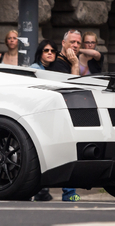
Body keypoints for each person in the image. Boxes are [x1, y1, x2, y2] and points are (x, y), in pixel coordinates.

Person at [30, 39, 81, 202]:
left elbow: (73, 88)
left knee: (65, 154)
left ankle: (68, 192)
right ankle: (40, 190)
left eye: (52, 50)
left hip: (55, 118)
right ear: (40, 54)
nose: (50, 53)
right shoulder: (35, 70)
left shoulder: (57, 69)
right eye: (46, 50)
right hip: (38, 120)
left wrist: (74, 65)